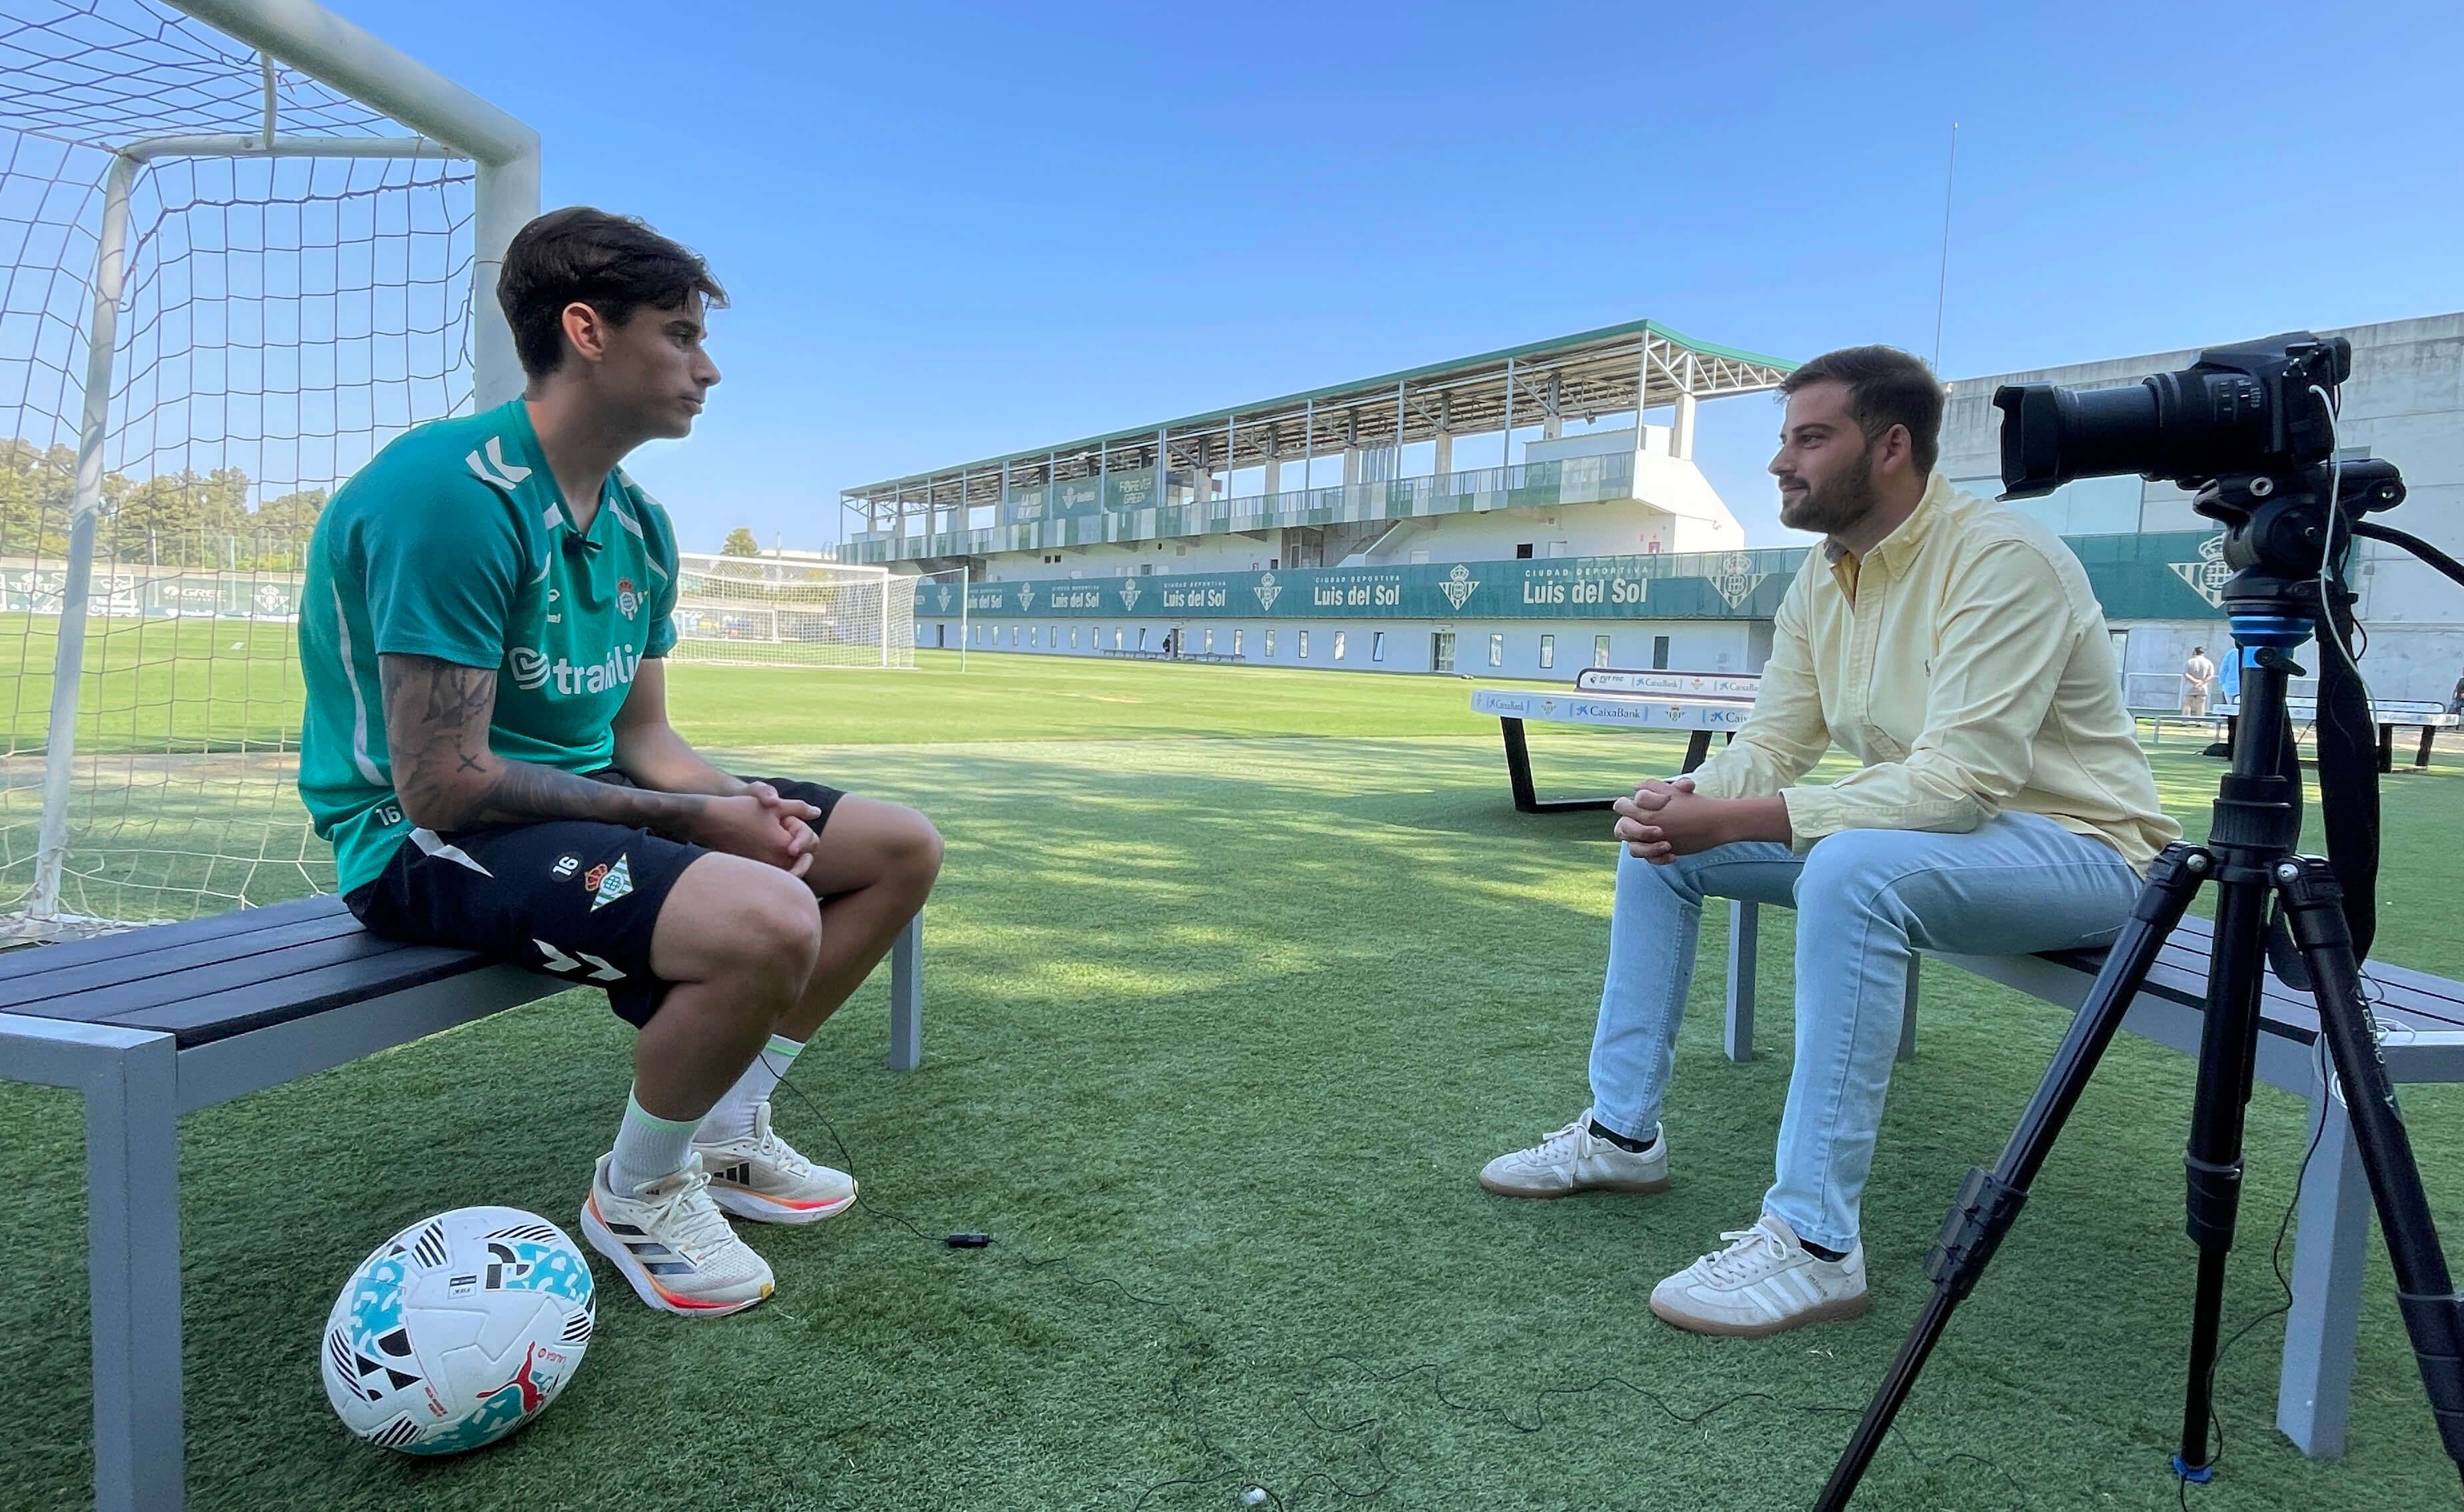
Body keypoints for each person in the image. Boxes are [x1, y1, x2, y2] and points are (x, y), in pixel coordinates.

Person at [296, 209, 943, 1319]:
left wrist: (737, 802)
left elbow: (645, 740)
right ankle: (638, 1188)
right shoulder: (449, 492)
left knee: (892, 847)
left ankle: (732, 1127)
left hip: (580, 810)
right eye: (681, 335)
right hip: (419, 839)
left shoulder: (638, 522)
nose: (708, 367)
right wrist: (694, 827)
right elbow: (440, 781)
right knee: (767, 919)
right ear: (587, 330)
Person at [1477, 346, 2179, 1338]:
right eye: (1783, 439)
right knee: (1667, 845)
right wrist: (1684, 798)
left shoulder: (2000, 558)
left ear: (1890, 447)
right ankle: (1620, 1133)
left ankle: (1814, 1244)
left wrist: (1744, 815)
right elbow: (1773, 742)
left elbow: (1959, 784)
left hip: (2085, 853)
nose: (1778, 463)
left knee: (1851, 868)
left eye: (1810, 438)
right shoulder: (1825, 574)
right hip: (1941, 844)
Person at [2183, 645, 2217, 721]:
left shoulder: (2189, 661)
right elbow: (2211, 675)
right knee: (2201, 705)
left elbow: (2186, 673)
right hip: (2203, 687)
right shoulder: (2208, 662)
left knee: (2187, 704)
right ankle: (2199, 722)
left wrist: (2195, 681)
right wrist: (2202, 682)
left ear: (2195, 652)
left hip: (2190, 686)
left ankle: (2185, 721)